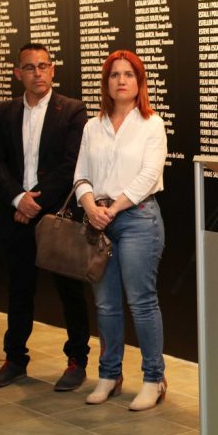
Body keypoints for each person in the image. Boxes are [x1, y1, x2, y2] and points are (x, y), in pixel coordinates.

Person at [0, 42, 91, 391]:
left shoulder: (72, 111)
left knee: (70, 292)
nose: (38, 73)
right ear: (18, 73)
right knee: (19, 292)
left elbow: (71, 165)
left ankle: (77, 361)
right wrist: (18, 199)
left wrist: (34, 203)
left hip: (56, 219)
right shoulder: (5, 112)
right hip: (15, 216)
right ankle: (15, 359)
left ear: (53, 70)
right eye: (30, 67)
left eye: (43, 66)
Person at [74, 50, 167, 411]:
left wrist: (112, 209)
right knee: (106, 304)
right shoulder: (92, 126)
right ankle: (109, 375)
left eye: (129, 74)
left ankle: (153, 379)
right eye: (114, 75)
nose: (122, 81)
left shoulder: (151, 124)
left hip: (137, 219)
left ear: (139, 81)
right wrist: (90, 207)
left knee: (141, 302)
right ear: (106, 82)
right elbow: (81, 174)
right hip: (98, 220)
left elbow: (148, 175)